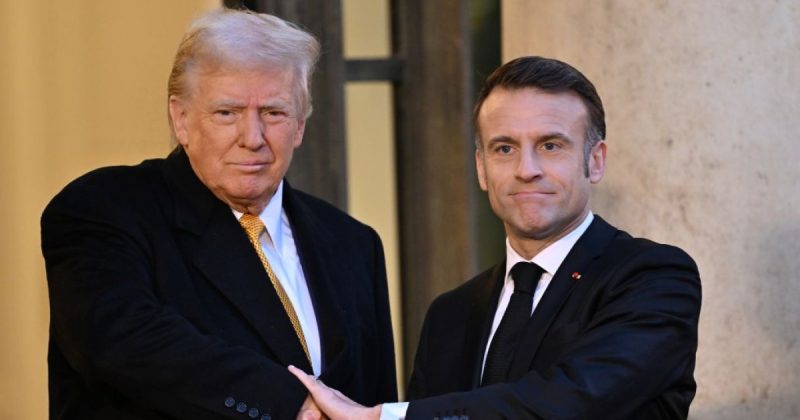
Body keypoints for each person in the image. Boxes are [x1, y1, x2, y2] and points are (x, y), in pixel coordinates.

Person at [290, 56, 702, 419]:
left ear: (595, 161)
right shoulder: (450, 314)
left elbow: (572, 402)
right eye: (504, 148)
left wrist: (386, 419)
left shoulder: (653, 279)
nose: (526, 169)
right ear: (482, 168)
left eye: (550, 145)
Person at [41, 8, 396, 420]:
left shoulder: (353, 244)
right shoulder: (105, 209)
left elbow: (374, 403)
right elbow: (123, 341)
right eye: (227, 113)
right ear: (181, 119)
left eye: (274, 113)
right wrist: (291, 404)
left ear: (300, 124)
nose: (252, 138)